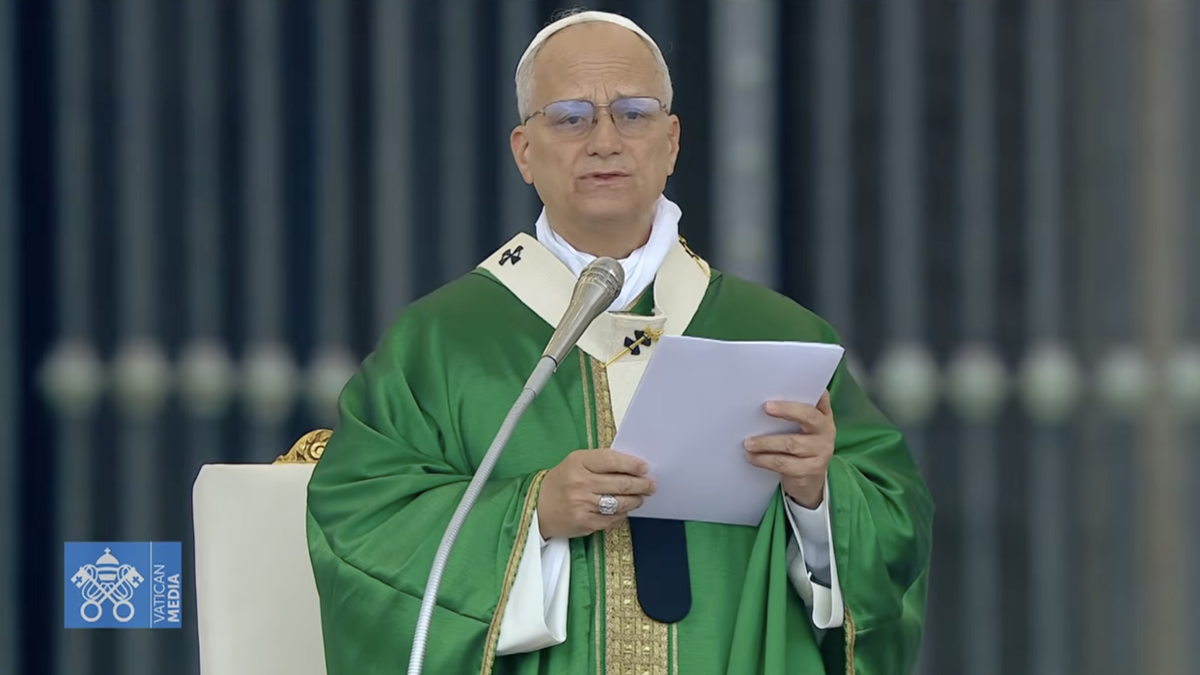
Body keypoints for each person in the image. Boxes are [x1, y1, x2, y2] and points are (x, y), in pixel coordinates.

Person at [306, 9, 933, 675]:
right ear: (524, 150)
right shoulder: (439, 345)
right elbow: (360, 530)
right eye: (570, 116)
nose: (604, 139)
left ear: (672, 141)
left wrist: (817, 495)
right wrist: (533, 513)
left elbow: (894, 535)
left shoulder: (781, 336)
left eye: (633, 113)